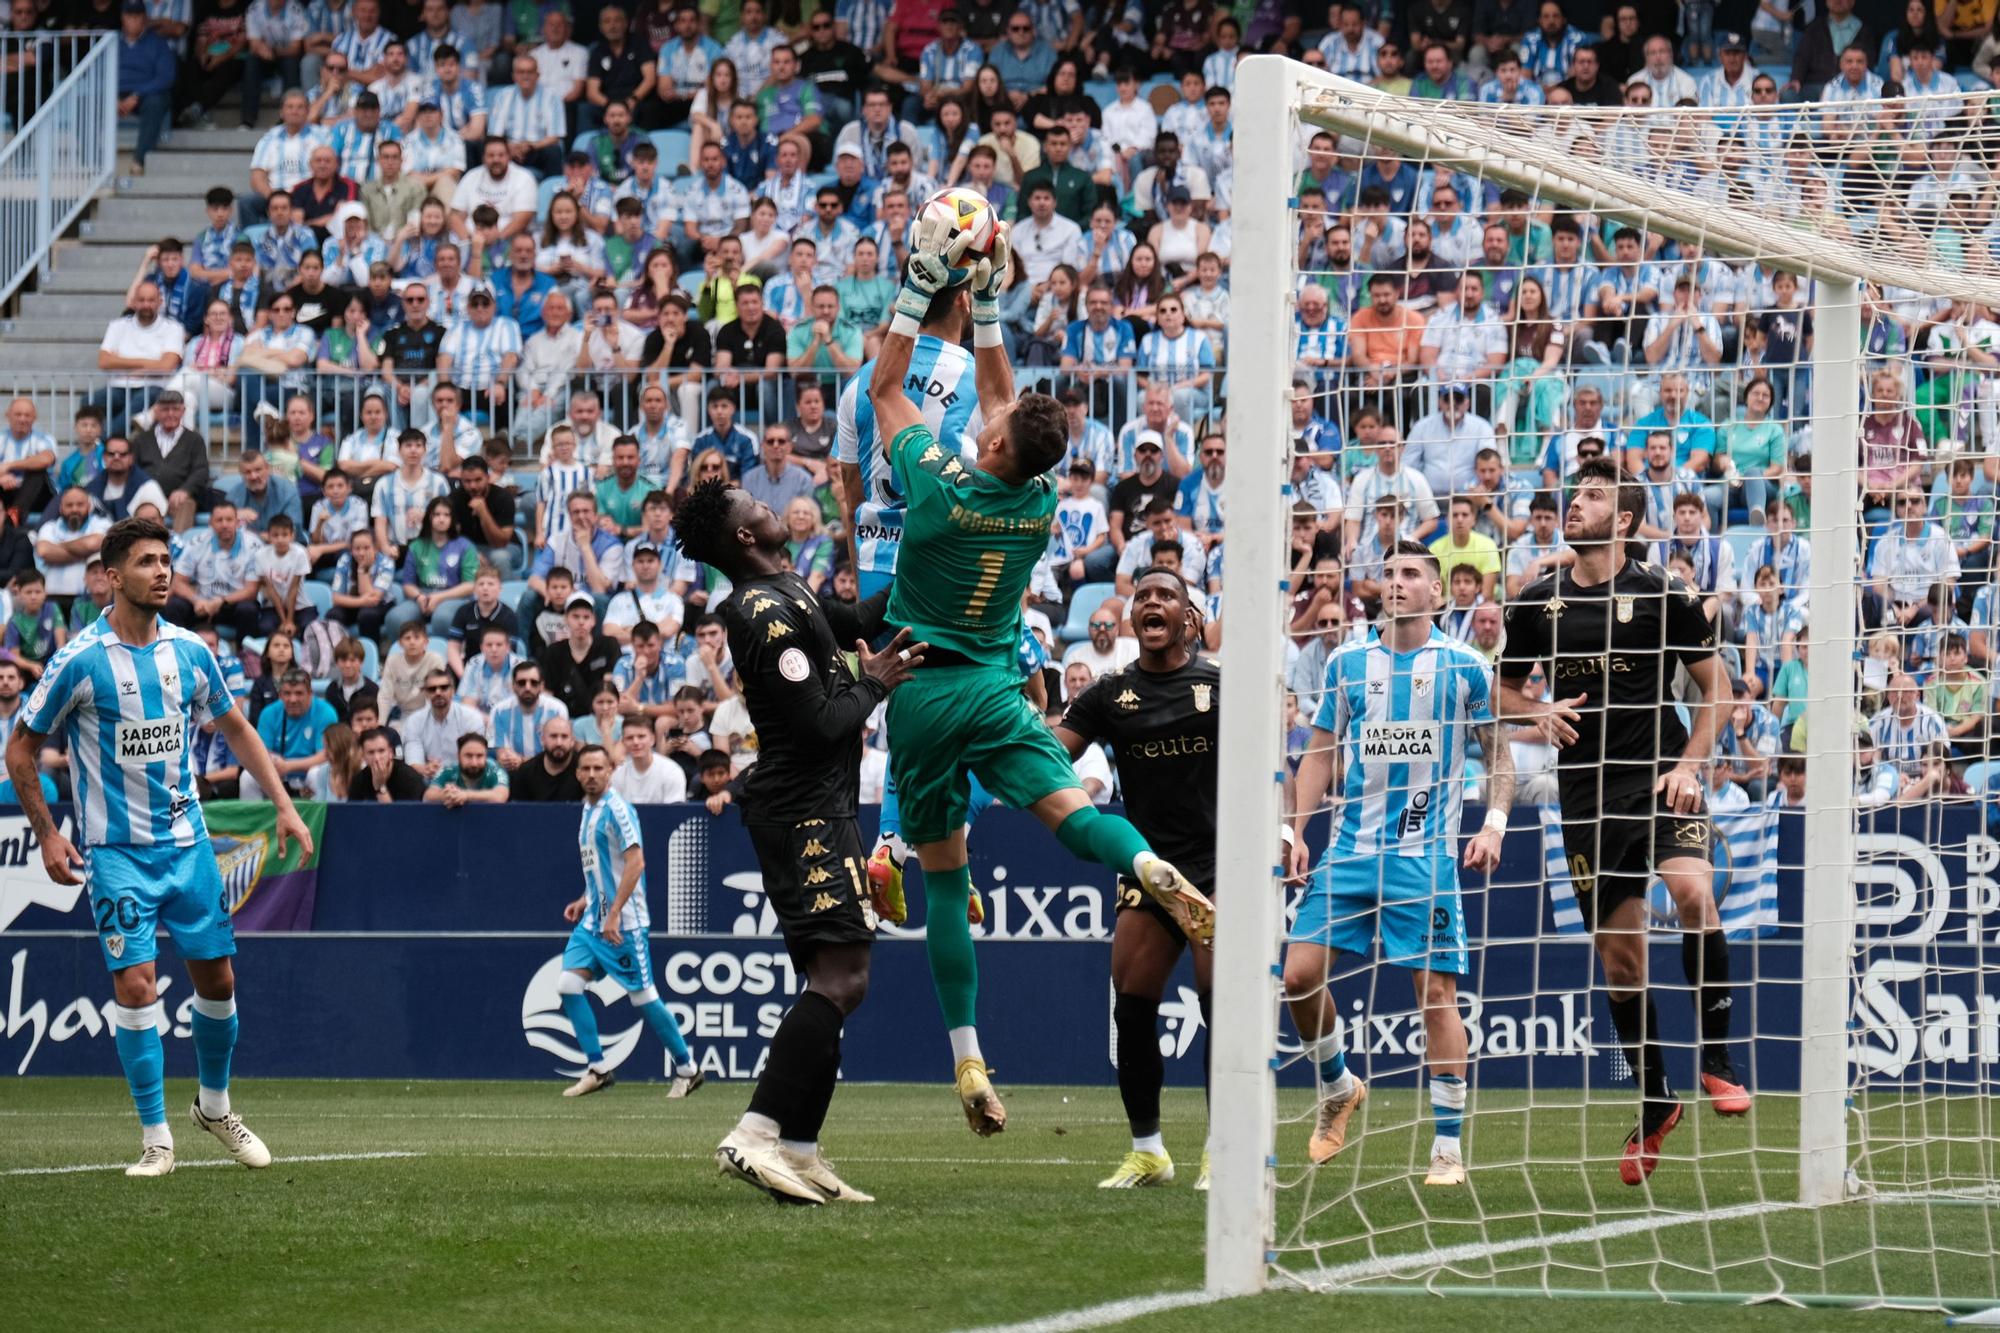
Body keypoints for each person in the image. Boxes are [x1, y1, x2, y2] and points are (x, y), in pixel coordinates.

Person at [870, 214, 1208, 1136]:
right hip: (993, 686)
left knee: (945, 881)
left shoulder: (939, 484)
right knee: (1076, 814)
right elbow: (1007, 401)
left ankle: (968, 1058)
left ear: (986, 445)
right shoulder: (1040, 495)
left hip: (922, 696)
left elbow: (886, 386)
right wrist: (984, 302)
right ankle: (1149, 864)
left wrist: (920, 280)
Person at [5, 515, 312, 1176]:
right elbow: (21, 748)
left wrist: (284, 806)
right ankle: (156, 1136)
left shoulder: (191, 652)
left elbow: (235, 728)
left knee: (219, 979)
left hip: (188, 844)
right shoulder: (81, 659)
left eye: (166, 559)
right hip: (116, 855)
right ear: (112, 577)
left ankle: (214, 1105)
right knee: (138, 985)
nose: (163, 570)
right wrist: (49, 832)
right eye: (147, 561)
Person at [1497, 458, 1750, 1186]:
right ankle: (1654, 1100)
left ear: (1628, 521)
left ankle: (1719, 1059)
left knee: (1696, 895)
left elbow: (1718, 688)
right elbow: (1503, 693)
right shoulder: (1536, 602)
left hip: (1662, 780)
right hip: (1586, 802)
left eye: (1595, 496)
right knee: (1622, 962)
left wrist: (1691, 766)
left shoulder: (1663, 592)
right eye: (1575, 495)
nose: (1576, 505)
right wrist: (1535, 711)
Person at [672, 478, 920, 1204]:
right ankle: (754, 1131)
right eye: (753, 502)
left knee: (842, 978)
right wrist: (873, 681)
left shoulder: (790, 589)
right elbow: (818, 721)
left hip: (821, 805)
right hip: (803, 810)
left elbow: (853, 617)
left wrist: (924, 568)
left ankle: (802, 1150)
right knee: (841, 977)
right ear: (743, 535)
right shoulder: (760, 612)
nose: (768, 503)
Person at [1283, 540, 1513, 1189]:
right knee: (1297, 976)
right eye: (1388, 573)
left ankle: (1446, 1148)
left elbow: (1499, 756)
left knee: (1435, 996)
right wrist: (1296, 830)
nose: (1396, 582)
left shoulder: (1466, 667)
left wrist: (1493, 823)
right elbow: (1320, 753)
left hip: (1427, 857)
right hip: (1352, 849)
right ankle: (1339, 1085)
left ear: (1436, 592)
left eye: (1410, 573)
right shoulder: (1350, 663)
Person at [1049, 568, 1223, 1190]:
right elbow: (1050, 752)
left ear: (1187, 617)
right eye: (1142, 596)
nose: (1151, 602)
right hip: (1149, 865)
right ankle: (1149, 1150)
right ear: (1132, 620)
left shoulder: (1218, 684)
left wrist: (1283, 835)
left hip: (1217, 863)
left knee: (1220, 1005)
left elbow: (1267, 765)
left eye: (1165, 595)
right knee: (1133, 1003)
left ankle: (1223, 1147)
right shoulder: (1108, 692)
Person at [554, 742, 701, 1097]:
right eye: (585, 769)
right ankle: (598, 1068)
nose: (591, 775)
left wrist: (615, 913)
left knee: (643, 997)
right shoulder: (588, 810)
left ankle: (688, 1068)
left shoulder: (618, 810)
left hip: (624, 922)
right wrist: (585, 899)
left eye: (598, 769)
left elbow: (635, 863)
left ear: (610, 772)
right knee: (568, 985)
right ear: (577, 774)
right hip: (593, 920)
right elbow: (602, 867)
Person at [424, 730, 510, 805]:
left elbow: (500, 796)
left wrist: (465, 795)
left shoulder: (495, 769)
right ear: (458, 756)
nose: (474, 763)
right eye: (468, 756)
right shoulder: (449, 769)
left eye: (479, 756)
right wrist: (447, 795)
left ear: (486, 756)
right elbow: (428, 797)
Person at [511, 713, 583, 800]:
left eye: (564, 736)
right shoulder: (526, 771)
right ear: (542, 740)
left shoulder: (585, 768)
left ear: (572, 741)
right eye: (553, 736)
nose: (559, 743)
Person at [350, 724, 426, 801]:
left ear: (391, 753)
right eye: (371, 752)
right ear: (363, 756)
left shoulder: (409, 778)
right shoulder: (358, 781)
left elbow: (396, 813)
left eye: (381, 751)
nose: (377, 758)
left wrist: (380, 787)